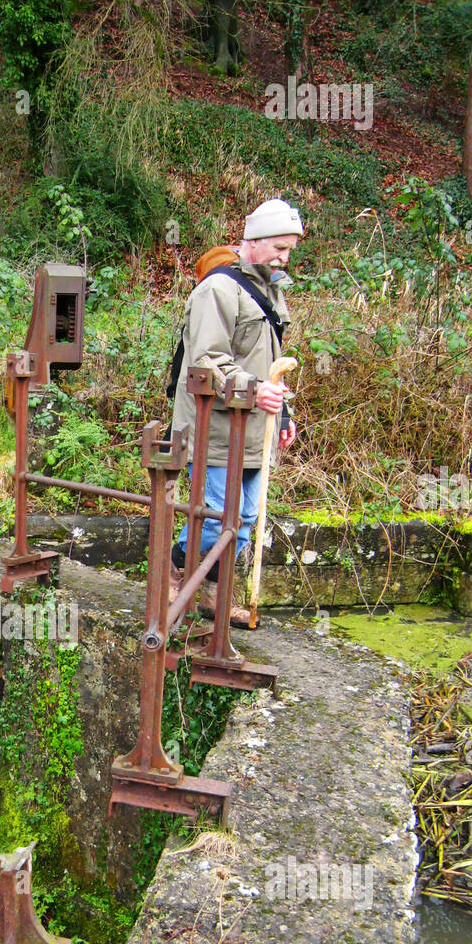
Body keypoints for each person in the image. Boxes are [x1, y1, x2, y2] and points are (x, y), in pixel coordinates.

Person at [170, 198, 302, 627]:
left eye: (289, 250)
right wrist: (253, 390)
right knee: (213, 517)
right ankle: (175, 581)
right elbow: (206, 361)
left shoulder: (269, 290)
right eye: (279, 247)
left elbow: (270, 363)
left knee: (243, 521)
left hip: (253, 428)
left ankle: (208, 593)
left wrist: (281, 416)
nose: (285, 258)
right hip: (217, 428)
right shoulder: (217, 290)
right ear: (255, 240)